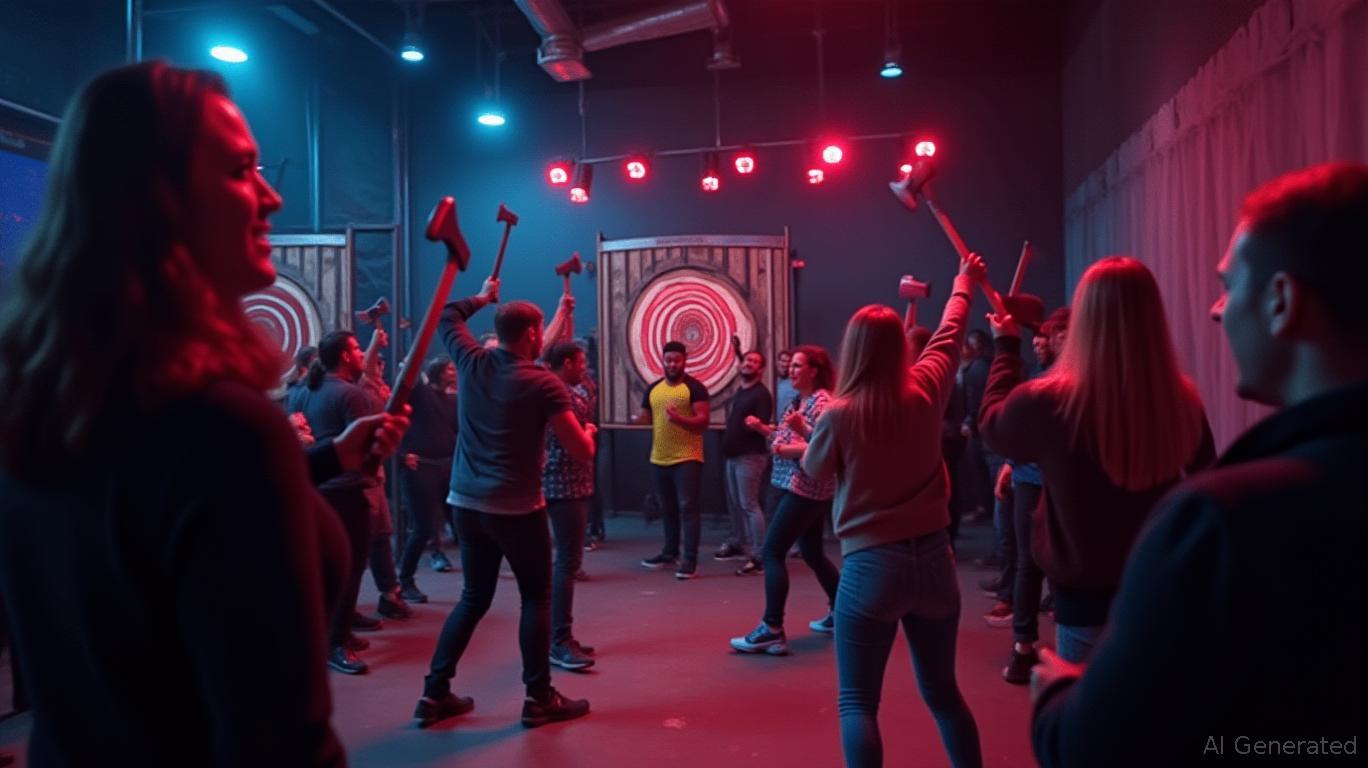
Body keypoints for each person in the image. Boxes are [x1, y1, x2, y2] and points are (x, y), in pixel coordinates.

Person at [0, 61, 407, 766]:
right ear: (155, 198)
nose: (272, 197)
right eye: (242, 170)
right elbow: (278, 744)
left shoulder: (49, 404)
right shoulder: (222, 430)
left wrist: (325, 457)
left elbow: (162, 520)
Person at [1031, 162, 1368, 766]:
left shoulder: (1224, 522)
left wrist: (1057, 694)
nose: (1216, 310)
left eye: (1229, 286)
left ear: (1282, 302)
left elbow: (1095, 747)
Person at [980, 257, 1215, 667]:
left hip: (1084, 596)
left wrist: (1005, 349)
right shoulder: (1182, 400)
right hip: (1158, 585)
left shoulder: (1051, 401)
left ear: (1084, 318)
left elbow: (993, 427)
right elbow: (1206, 484)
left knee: (1084, 702)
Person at [802, 254, 987, 768]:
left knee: (858, 703)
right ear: (901, 349)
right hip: (934, 561)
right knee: (944, 696)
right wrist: (963, 282)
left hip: (870, 565)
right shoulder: (926, 388)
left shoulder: (839, 414)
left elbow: (815, 471)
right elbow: (950, 332)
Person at [417, 279, 598, 729]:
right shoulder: (545, 384)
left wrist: (482, 296)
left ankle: (433, 694)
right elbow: (581, 451)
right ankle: (538, 698)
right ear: (533, 334)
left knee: (473, 597)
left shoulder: (471, 360)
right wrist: (590, 434)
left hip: (465, 503)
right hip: (517, 508)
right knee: (535, 597)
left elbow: (447, 314)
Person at [296, 330, 411, 675]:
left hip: (317, 487)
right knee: (349, 568)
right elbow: (364, 448)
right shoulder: (351, 394)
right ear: (345, 356)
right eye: (357, 348)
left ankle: (338, 631)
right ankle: (336, 643)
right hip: (347, 489)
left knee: (331, 567)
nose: (362, 353)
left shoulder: (304, 390)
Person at [729, 345, 840, 654]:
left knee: (772, 552)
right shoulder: (797, 400)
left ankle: (772, 628)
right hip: (798, 486)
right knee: (813, 553)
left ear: (814, 371)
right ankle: (842, 612)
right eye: (791, 365)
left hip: (806, 488)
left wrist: (783, 449)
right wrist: (765, 431)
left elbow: (823, 446)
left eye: (798, 366)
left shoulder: (823, 402)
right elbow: (789, 436)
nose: (791, 370)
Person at [992, 308, 1068, 683]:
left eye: (1051, 335)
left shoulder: (1058, 383)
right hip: (1033, 479)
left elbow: (998, 424)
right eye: (1042, 336)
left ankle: (1037, 647)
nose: (1043, 342)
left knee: (1050, 562)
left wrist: (1005, 348)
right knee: (1033, 563)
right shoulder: (1043, 380)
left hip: (1051, 481)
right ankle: (1026, 645)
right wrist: (1010, 463)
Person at [541, 341, 598, 671]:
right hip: (564, 485)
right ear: (566, 363)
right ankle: (559, 640)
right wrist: (588, 433)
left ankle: (558, 636)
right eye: (581, 363)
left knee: (565, 561)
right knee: (567, 562)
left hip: (564, 484)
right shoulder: (559, 395)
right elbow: (579, 445)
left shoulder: (558, 390)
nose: (585, 368)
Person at [636, 341, 711, 579]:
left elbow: (703, 421)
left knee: (688, 508)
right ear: (663, 360)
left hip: (687, 458)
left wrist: (679, 419)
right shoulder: (654, 389)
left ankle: (690, 561)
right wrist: (637, 418)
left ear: (684, 361)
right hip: (659, 458)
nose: (672, 364)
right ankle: (670, 553)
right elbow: (645, 418)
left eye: (676, 360)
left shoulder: (695, 388)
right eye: (668, 360)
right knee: (667, 509)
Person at [397, 356, 458, 603]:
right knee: (422, 528)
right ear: (438, 372)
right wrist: (402, 454)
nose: (454, 372)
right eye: (450, 369)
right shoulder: (421, 394)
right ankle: (405, 580)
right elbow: (407, 372)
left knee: (465, 522)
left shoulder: (453, 400)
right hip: (422, 467)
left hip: (448, 467)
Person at [714, 350, 774, 575]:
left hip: (750, 456)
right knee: (736, 504)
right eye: (747, 360)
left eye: (755, 362)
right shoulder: (741, 391)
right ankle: (740, 542)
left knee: (749, 504)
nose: (749, 363)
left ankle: (759, 556)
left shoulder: (761, 394)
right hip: (733, 456)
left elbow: (761, 425)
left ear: (761, 369)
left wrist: (754, 425)